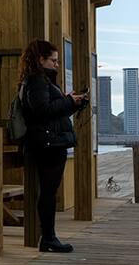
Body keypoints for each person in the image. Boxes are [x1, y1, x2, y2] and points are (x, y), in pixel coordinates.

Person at [18, 39, 89, 253]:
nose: (57, 65)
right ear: (41, 60)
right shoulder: (37, 81)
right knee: (48, 193)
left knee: (48, 192)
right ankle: (48, 238)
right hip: (48, 145)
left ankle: (48, 237)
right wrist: (69, 101)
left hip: (48, 142)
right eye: (53, 61)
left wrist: (73, 103)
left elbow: (51, 114)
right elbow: (43, 111)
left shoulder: (39, 81)